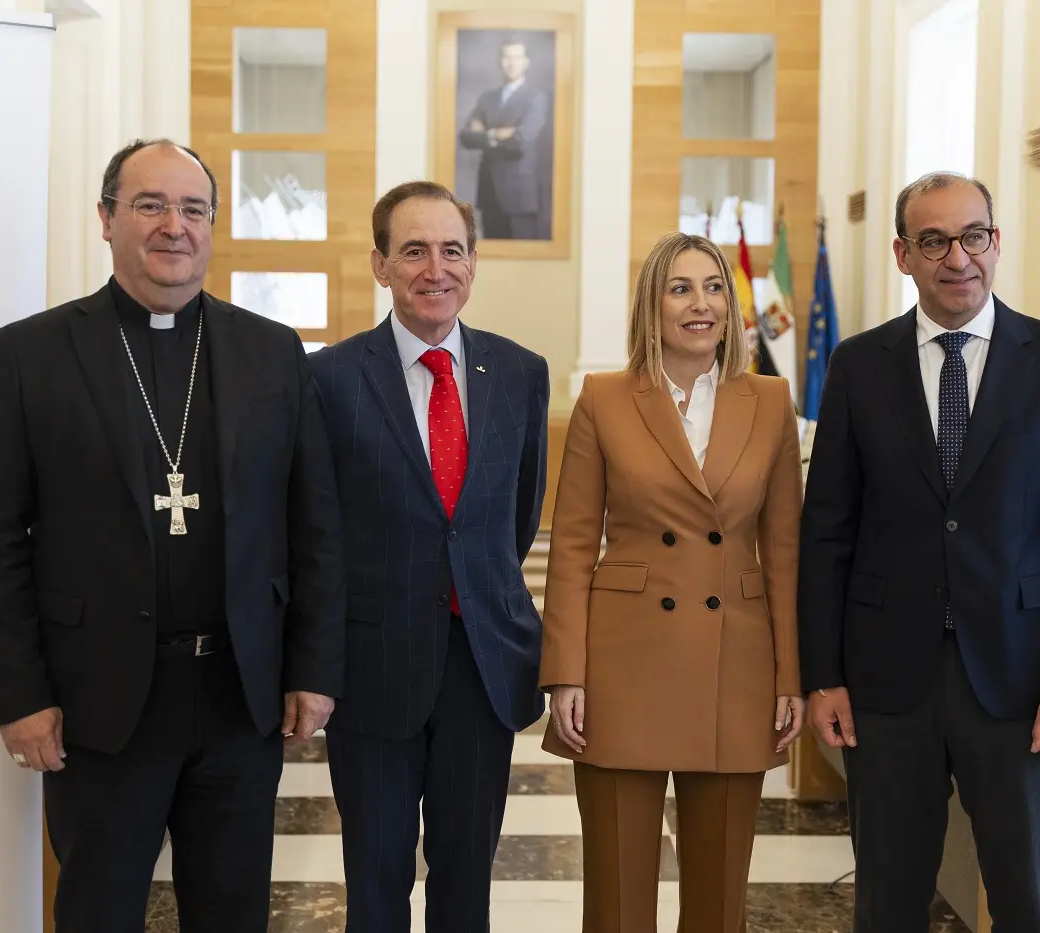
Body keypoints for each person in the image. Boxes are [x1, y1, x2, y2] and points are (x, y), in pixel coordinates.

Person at [0, 138, 345, 932]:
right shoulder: (33, 353)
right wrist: (19, 693)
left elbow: (314, 525)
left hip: (238, 697)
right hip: (97, 701)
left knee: (232, 913)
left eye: (193, 208)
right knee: (98, 912)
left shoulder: (271, 350)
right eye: (151, 205)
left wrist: (313, 666)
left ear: (212, 225)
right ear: (106, 219)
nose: (175, 225)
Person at [798, 171, 1040, 932]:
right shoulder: (858, 365)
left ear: (996, 242)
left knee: (1032, 907)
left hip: (1025, 686)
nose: (958, 258)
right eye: (934, 240)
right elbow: (827, 532)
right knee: (887, 905)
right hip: (886, 684)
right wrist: (824, 676)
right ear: (902, 255)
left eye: (973, 236)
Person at [540, 231, 805, 932]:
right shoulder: (604, 398)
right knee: (617, 900)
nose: (701, 304)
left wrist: (791, 675)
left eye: (714, 287)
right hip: (622, 663)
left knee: (719, 902)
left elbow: (784, 552)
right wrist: (565, 672)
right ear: (651, 306)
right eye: (680, 288)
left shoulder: (771, 400)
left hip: (735, 664)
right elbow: (573, 544)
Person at [307, 180, 549, 932]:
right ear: (380, 264)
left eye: (452, 250)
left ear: (473, 263)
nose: (435, 269)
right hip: (372, 667)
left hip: (482, 664)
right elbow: (316, 534)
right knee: (375, 880)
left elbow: (517, 515)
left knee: (466, 877)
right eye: (414, 251)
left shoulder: (521, 373)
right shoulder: (329, 378)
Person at [458, 36, 549, 240]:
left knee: (522, 257)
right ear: (500, 61)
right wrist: (498, 134)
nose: (511, 63)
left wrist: (485, 133)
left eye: (517, 57)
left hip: (520, 197)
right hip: (489, 192)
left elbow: (521, 140)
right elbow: (466, 136)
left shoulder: (536, 98)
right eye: (507, 57)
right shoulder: (487, 98)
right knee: (492, 254)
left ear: (526, 62)